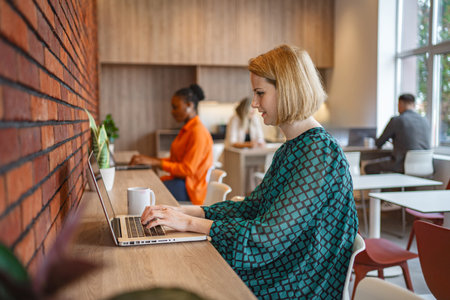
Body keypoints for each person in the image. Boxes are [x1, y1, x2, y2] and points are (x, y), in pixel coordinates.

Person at [140, 45, 358, 299]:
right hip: (286, 267)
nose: (254, 103)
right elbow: (253, 207)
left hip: (299, 282)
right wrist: (184, 211)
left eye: (260, 93)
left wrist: (189, 223)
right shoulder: (293, 148)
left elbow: (267, 236)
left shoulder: (319, 153)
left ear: (287, 90)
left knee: (193, 273)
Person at [129, 84, 213, 205]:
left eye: (175, 107)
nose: (172, 112)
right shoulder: (188, 129)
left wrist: (154, 162)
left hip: (190, 189)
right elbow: (177, 161)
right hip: (181, 183)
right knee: (146, 187)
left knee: (146, 192)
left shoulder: (197, 132)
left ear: (189, 105)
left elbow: (187, 170)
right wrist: (150, 160)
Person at [364, 93, 431, 174]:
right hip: (425, 165)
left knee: (368, 167)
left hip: (402, 165)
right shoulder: (425, 120)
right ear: (413, 104)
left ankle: (387, 186)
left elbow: (379, 143)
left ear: (400, 104)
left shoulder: (397, 120)